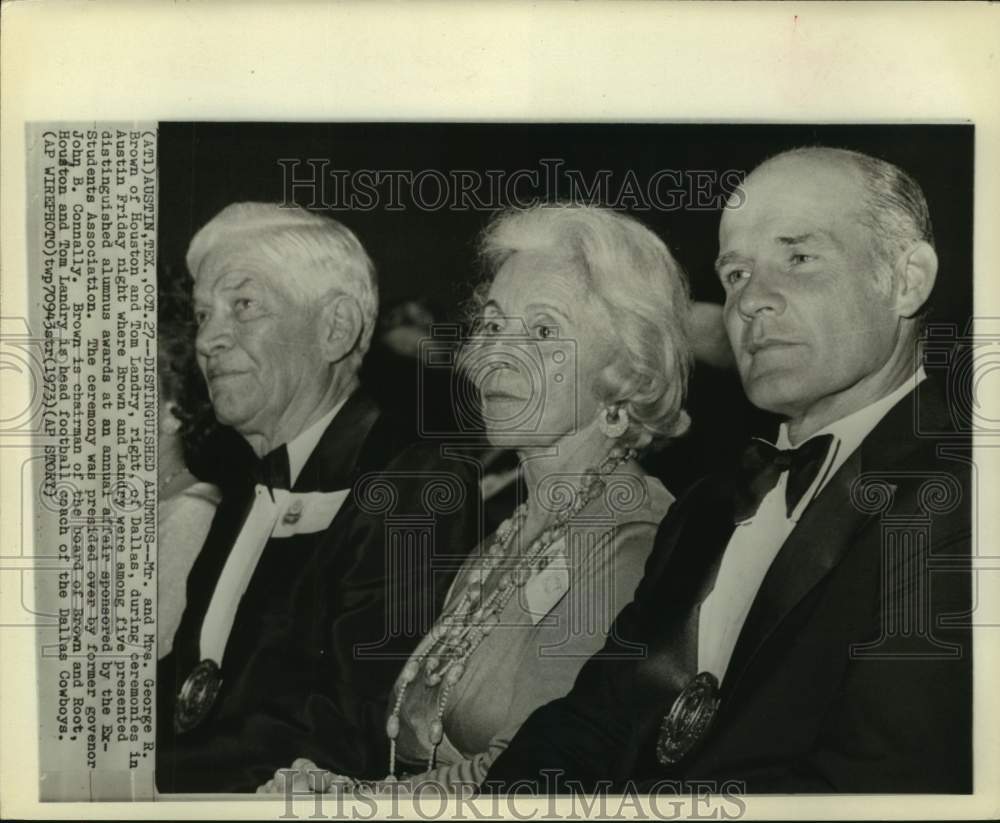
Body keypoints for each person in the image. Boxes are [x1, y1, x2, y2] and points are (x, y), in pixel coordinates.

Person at [486, 147, 972, 793]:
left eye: (799, 258)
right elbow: (591, 721)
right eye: (737, 273)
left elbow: (877, 788)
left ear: (908, 278)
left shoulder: (963, 499)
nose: (751, 302)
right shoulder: (707, 505)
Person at [261, 203, 695, 794]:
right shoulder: (514, 530)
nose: (495, 355)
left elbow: (534, 775)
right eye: (492, 326)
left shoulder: (627, 531)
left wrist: (358, 803)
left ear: (630, 372)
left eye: (543, 331)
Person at [156, 203, 479, 793]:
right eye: (204, 314)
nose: (208, 339)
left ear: (336, 327)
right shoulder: (249, 487)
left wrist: (136, 776)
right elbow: (189, 683)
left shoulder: (414, 486)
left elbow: (347, 730)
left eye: (243, 306)